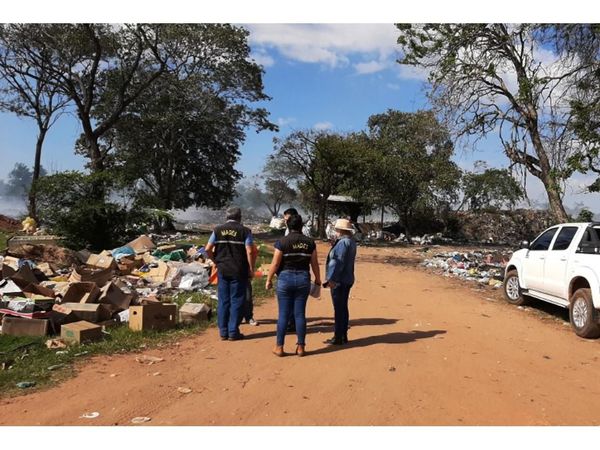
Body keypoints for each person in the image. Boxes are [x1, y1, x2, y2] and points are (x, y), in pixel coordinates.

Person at [266, 214, 321, 357]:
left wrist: (269, 279)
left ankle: (279, 347)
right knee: (300, 314)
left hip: (285, 279)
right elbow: (314, 263)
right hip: (303, 279)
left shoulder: (282, 242)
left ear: (288, 226)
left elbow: (276, 263)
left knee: (283, 314)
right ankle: (301, 347)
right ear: (301, 226)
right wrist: (318, 280)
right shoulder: (310, 242)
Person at [205, 207, 254, 341]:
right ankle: (233, 331)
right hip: (239, 270)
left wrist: (215, 260)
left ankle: (223, 331)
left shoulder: (217, 230)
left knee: (223, 301)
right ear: (240, 217)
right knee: (237, 300)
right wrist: (251, 268)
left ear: (226, 217)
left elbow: (207, 249)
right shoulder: (245, 231)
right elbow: (249, 251)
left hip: (223, 269)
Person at [324, 218, 357, 345]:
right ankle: (343, 335)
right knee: (343, 307)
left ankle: (338, 336)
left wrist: (332, 279)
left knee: (338, 308)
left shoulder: (343, 243)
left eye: (337, 229)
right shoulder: (350, 242)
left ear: (341, 230)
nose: (335, 231)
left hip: (340, 280)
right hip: (347, 278)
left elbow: (338, 262)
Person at [241, 243, 259, 326]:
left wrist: (251, 269)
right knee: (237, 297)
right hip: (234, 271)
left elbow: (253, 253)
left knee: (247, 296)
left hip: (244, 272)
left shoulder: (250, 244)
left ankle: (248, 317)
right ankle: (239, 317)